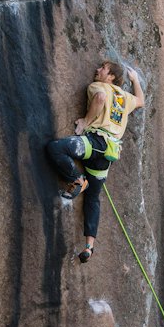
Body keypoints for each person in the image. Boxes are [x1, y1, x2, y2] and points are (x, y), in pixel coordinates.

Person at [45, 58, 145, 262]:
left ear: (111, 77)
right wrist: (135, 80)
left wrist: (85, 122)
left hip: (95, 142)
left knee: (55, 148)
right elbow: (141, 101)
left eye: (103, 69)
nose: (98, 70)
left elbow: (99, 98)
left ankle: (78, 179)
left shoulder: (100, 86)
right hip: (109, 154)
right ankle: (89, 246)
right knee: (93, 198)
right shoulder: (125, 97)